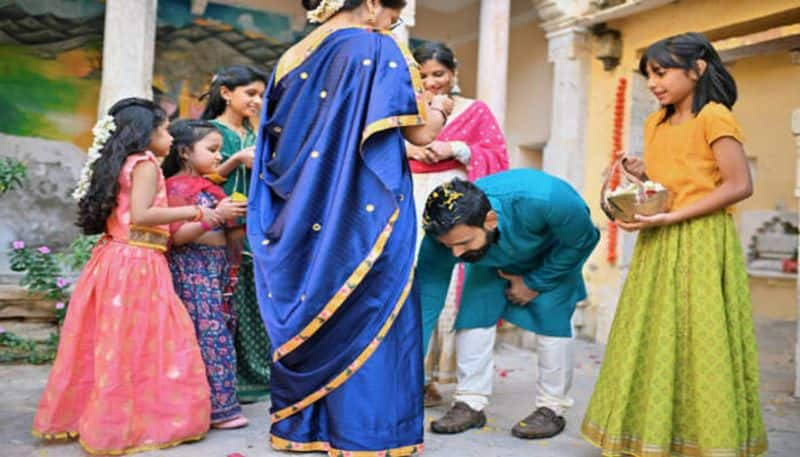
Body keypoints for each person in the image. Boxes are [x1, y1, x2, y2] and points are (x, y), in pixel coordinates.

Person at [248, 0, 453, 454]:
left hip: (301, 210)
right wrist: (441, 107)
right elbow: (420, 135)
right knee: (374, 306)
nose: (392, 24)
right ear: (375, 3)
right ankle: (366, 432)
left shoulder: (292, 56)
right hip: (365, 210)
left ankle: (302, 429)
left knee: (316, 303)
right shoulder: (377, 48)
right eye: (392, 14)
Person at [582, 32, 768, 457]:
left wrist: (674, 215)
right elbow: (676, 178)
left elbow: (740, 185)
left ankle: (707, 442)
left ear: (697, 69)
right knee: (653, 335)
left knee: (699, 339)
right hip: (658, 237)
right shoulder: (656, 123)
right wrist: (642, 175)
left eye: (661, 72)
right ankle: (652, 436)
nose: (653, 82)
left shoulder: (715, 117)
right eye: (649, 74)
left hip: (702, 238)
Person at [32, 98, 214, 454]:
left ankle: (104, 420)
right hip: (138, 263)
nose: (169, 137)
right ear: (145, 133)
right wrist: (197, 210)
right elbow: (143, 215)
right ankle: (140, 423)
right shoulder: (145, 164)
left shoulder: (121, 163)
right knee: (149, 340)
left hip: (114, 258)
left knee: (111, 342)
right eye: (163, 129)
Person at [417, 172, 599, 439]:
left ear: (490, 220)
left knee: (553, 322)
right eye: (448, 247)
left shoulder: (547, 198)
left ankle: (552, 408)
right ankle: (470, 403)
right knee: (474, 316)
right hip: (490, 259)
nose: (456, 255)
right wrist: (407, 366)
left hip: (553, 257)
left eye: (462, 243)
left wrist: (535, 282)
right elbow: (424, 303)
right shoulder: (444, 238)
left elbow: (583, 239)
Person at [408, 42, 509, 407]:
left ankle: (439, 376)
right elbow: (379, 146)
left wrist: (457, 150)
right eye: (423, 76)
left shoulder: (475, 110)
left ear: (453, 72)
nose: (432, 82)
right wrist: (412, 150)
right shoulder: (407, 110)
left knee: (450, 293)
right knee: (413, 287)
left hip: (459, 203)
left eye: (439, 74)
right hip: (412, 202)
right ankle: (412, 376)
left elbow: (497, 158)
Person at [162, 120, 249, 429]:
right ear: (185, 152)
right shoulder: (175, 188)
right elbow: (178, 236)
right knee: (207, 336)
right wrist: (216, 218)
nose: (218, 156)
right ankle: (214, 410)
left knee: (221, 332)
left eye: (219, 150)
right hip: (191, 271)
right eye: (211, 150)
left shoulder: (210, 187)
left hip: (216, 269)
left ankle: (220, 405)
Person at [201, 64, 272, 403]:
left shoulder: (258, 135)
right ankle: (226, 378)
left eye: (261, 95)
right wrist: (234, 161)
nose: (257, 101)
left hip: (256, 229)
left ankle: (259, 375)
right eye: (250, 94)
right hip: (217, 228)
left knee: (253, 300)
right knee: (222, 300)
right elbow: (197, 179)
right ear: (226, 93)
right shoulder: (208, 132)